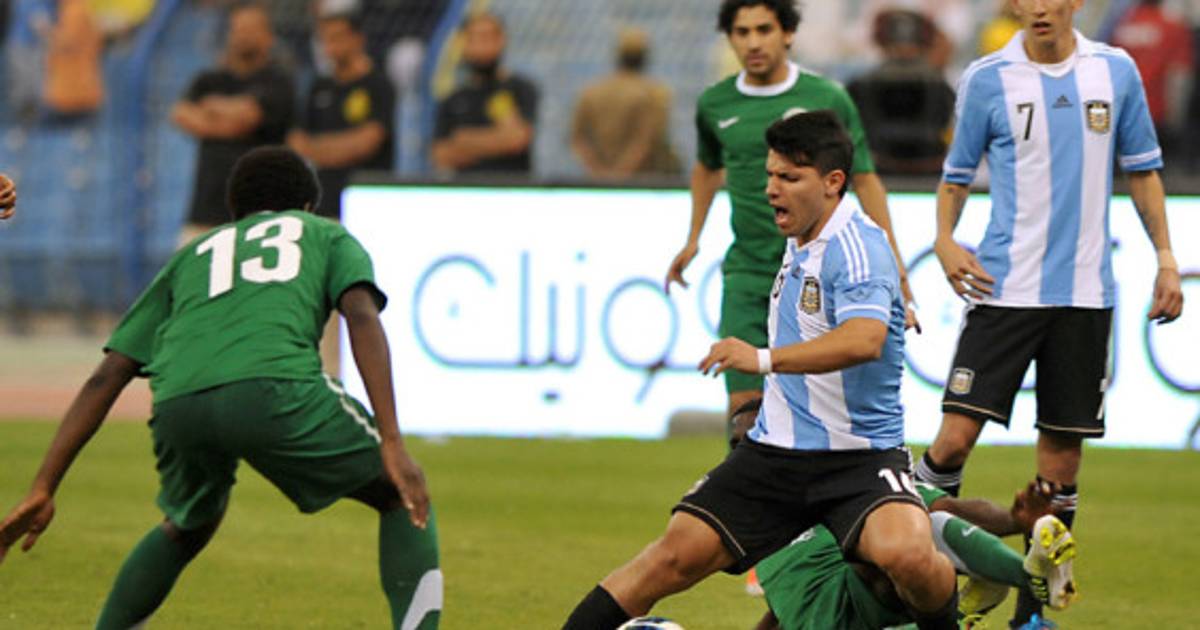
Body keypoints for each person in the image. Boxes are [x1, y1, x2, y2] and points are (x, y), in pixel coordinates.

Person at [0, 147, 441, 630]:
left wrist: (44, 486)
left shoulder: (192, 254)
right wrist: (392, 441)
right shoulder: (325, 233)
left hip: (178, 404)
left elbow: (108, 374)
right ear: (307, 206)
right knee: (401, 492)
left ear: (234, 211)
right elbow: (360, 315)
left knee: (189, 521)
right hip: (274, 388)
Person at [564, 111, 959, 630]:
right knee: (670, 558)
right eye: (770, 175)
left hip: (859, 458)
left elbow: (865, 340)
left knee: (908, 555)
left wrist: (762, 359)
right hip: (775, 455)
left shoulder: (858, 245)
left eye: (789, 178)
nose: (771, 189)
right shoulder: (801, 234)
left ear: (833, 182)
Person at [914, 0, 1184, 627]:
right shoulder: (987, 78)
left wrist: (1167, 259)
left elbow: (1143, 171)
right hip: (1004, 291)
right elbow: (956, 176)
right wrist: (945, 240)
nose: (1037, 7)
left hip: (1085, 297)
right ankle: (917, 580)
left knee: (1060, 464)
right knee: (952, 441)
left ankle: (1030, 614)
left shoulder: (1114, 72)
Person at [665, 0, 917, 456]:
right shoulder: (715, 104)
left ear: (787, 33)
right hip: (747, 273)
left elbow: (863, 178)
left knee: (816, 409)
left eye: (764, 29)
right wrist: (693, 237)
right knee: (744, 416)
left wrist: (896, 269)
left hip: (818, 274)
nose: (753, 42)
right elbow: (706, 167)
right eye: (742, 32)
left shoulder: (827, 98)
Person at [753, 471, 1079, 630]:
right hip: (824, 622)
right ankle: (964, 613)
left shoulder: (850, 478)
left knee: (909, 530)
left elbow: (947, 507)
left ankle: (1032, 578)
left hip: (871, 598)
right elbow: (779, 610)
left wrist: (1013, 520)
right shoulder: (758, 528)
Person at [171, 2, 294, 243]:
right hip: (204, 215)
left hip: (261, 219)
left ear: (268, 36)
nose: (243, 36)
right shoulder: (210, 79)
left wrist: (211, 109)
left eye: (251, 29)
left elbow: (248, 117)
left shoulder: (279, 82)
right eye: (238, 29)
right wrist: (229, 120)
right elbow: (180, 114)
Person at [288, 9, 394, 220]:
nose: (331, 45)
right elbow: (297, 142)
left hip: (365, 199)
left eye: (338, 37)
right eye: (325, 39)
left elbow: (367, 143)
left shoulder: (378, 85)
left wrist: (317, 149)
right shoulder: (319, 86)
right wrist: (343, 146)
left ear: (358, 39)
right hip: (322, 200)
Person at [847, 9, 956, 175]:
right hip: (914, 173)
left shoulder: (859, 85)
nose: (904, 52)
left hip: (878, 173)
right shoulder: (940, 87)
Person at [430, 11, 538, 176]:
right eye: (474, 39)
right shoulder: (453, 98)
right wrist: (498, 141)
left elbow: (517, 140)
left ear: (501, 40)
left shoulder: (520, 88)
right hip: (466, 187)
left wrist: (464, 140)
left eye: (487, 38)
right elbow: (441, 155)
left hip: (511, 186)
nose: (481, 46)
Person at [571, 27, 681, 181]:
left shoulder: (591, 92)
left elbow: (578, 139)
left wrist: (599, 172)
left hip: (600, 180)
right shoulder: (655, 94)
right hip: (644, 180)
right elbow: (647, 140)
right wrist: (621, 175)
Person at [1110, 0, 1194, 166]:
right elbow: (1179, 75)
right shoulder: (1173, 27)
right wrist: (1176, 120)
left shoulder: (1116, 26)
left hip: (1120, 114)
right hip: (1156, 115)